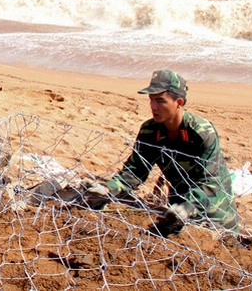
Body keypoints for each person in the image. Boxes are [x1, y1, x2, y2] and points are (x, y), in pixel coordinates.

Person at [83, 70, 240, 234]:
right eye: (151, 100)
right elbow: (136, 171)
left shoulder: (201, 133)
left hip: (214, 212)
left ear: (179, 102)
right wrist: (108, 189)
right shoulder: (150, 131)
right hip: (177, 207)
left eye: (160, 101)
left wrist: (189, 206)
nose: (153, 107)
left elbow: (210, 183)